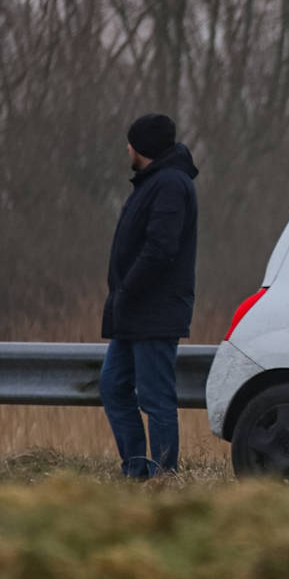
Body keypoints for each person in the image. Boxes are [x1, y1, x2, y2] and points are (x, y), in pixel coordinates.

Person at [100, 113, 199, 478]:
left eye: (131, 142)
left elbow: (161, 248)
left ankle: (163, 477)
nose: (126, 148)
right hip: (132, 311)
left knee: (156, 398)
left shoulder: (170, 184)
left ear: (143, 147)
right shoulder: (152, 182)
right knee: (113, 387)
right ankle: (137, 471)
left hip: (154, 311)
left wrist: (128, 289)